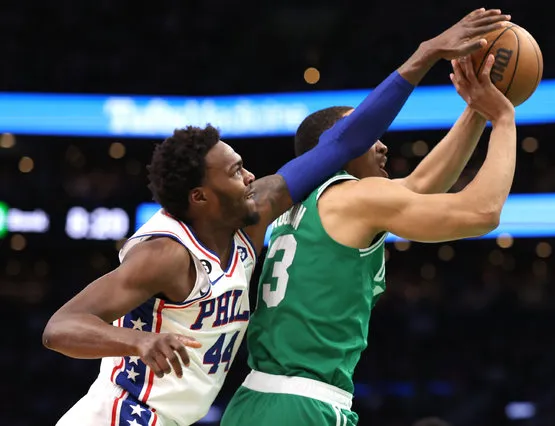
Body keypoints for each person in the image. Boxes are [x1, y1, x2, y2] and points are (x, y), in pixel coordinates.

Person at [41, 8, 507, 426]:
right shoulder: (165, 254)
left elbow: (347, 144)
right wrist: (137, 344)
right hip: (119, 417)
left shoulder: (255, 216)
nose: (250, 176)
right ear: (201, 197)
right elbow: (59, 328)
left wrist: (426, 57)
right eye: (235, 171)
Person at [221, 34, 517, 426]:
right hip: (301, 406)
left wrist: (475, 109)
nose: (381, 145)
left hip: (259, 400)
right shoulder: (352, 199)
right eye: (365, 134)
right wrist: (504, 119)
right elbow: (483, 211)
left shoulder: (305, 204)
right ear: (337, 147)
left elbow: (420, 184)